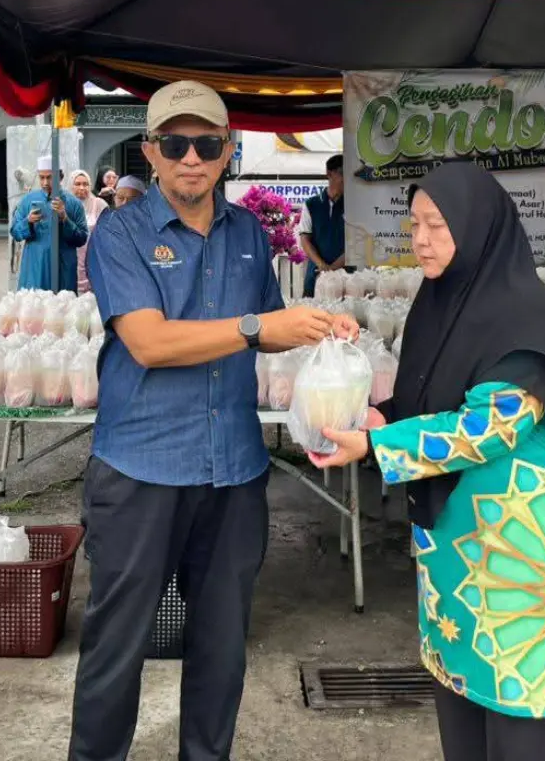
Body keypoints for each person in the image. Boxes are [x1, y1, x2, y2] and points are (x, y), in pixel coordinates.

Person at [70, 80, 357, 761]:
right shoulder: (122, 231)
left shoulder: (250, 234)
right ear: (152, 151)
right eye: (175, 144)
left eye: (205, 144)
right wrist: (264, 326)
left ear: (227, 152)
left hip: (233, 472)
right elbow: (151, 342)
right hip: (141, 468)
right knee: (118, 647)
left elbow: (270, 337)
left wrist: (323, 332)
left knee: (222, 648)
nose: (190, 158)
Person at [312, 163, 545, 761]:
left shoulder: (519, 311)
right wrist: (380, 417)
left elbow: (491, 425)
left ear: (478, 229)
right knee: (468, 693)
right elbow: (432, 395)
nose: (420, 240)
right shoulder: (443, 300)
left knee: (525, 706)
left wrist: (378, 446)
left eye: (437, 226)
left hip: (521, 548)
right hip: (461, 545)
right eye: (414, 224)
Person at [10, 157, 87, 292]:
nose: (45, 183)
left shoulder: (74, 203)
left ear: (60, 177)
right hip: (35, 266)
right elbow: (15, 232)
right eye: (41, 178)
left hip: (63, 267)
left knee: (63, 307)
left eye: (49, 178)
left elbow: (82, 238)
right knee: (34, 307)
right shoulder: (28, 200)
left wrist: (64, 218)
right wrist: (28, 221)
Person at [298, 153, 346, 297]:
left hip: (347, 276)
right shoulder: (311, 204)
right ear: (329, 174)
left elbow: (356, 242)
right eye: (342, 173)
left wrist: (333, 268)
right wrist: (322, 265)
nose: (347, 179)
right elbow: (305, 239)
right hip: (316, 272)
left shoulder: (354, 204)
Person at [69, 168, 111, 294]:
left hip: (93, 259)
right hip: (70, 259)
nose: (82, 188)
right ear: (70, 186)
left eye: (85, 184)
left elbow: (108, 233)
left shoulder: (99, 204)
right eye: (77, 184)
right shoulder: (65, 205)